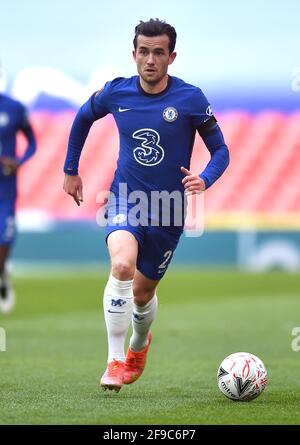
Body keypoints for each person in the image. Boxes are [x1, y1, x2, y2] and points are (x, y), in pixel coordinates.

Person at [63, 18, 230, 392]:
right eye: (143, 52)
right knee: (121, 265)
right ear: (133, 54)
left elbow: (220, 150)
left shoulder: (191, 99)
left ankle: (139, 345)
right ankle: (114, 359)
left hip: (169, 209)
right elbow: (83, 118)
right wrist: (71, 169)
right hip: (125, 199)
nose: (150, 59)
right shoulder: (116, 93)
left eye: (158, 52)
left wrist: (205, 178)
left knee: (142, 294)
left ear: (171, 56)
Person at [0, 67, 37, 313]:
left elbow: (32, 141)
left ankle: (2, 271)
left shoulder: (13, 107)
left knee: (5, 237)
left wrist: (19, 161)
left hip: (5, 188)